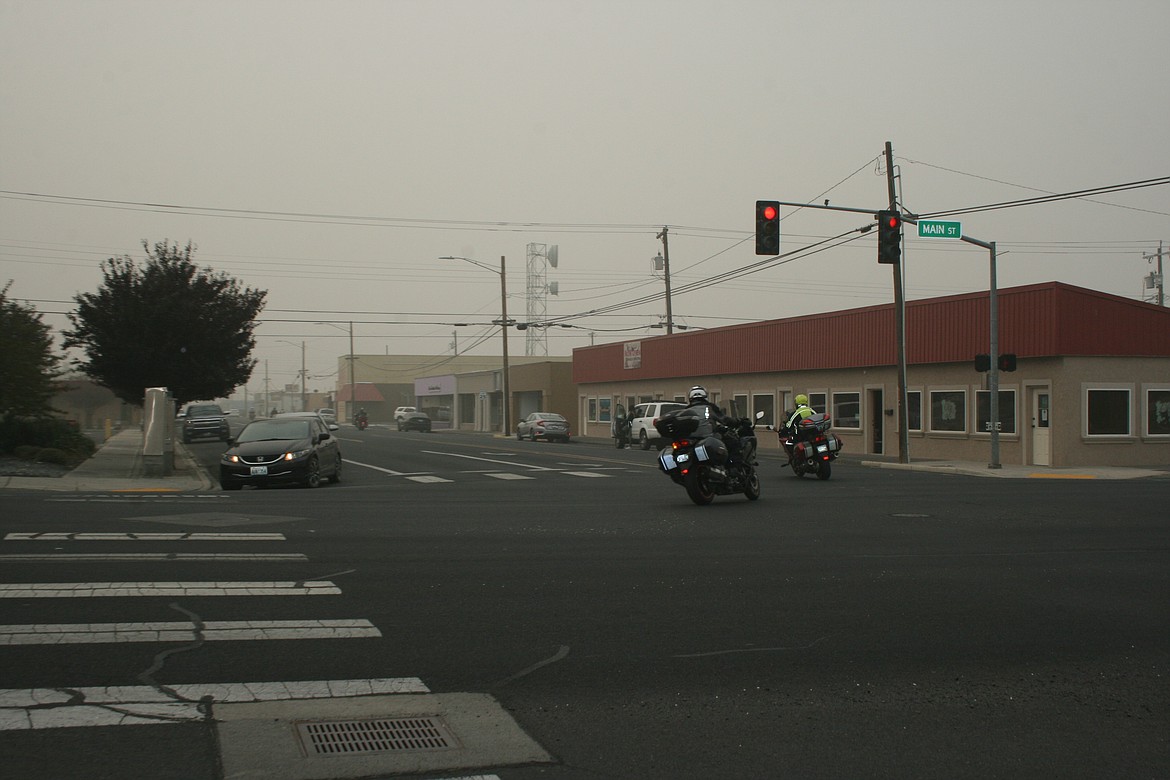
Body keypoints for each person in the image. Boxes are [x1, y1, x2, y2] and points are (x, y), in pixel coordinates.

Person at [781, 394, 817, 462]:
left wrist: (783, 430)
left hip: (800, 437)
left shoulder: (796, 413)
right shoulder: (812, 411)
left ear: (796, 403)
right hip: (813, 435)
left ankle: (795, 459)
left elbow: (789, 425)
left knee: (788, 443)